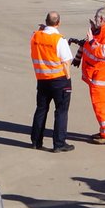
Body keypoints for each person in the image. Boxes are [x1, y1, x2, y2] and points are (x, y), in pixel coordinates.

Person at [30, 12, 74, 153]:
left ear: (45, 22)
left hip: (42, 79)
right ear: (58, 23)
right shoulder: (59, 40)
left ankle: (36, 141)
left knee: (41, 109)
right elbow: (66, 61)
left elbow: (41, 39)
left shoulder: (36, 36)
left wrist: (42, 30)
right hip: (59, 80)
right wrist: (68, 77)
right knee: (61, 111)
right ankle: (59, 143)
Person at [79, 6, 105, 144]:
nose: (95, 20)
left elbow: (103, 52)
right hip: (102, 75)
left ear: (102, 19)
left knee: (101, 106)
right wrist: (94, 32)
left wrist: (91, 40)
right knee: (104, 106)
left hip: (101, 77)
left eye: (97, 18)